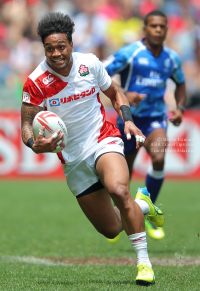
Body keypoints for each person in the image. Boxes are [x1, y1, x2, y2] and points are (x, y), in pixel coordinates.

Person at [21, 12, 164, 285]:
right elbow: (27, 123)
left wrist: (129, 121)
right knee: (111, 229)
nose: (56, 53)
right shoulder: (36, 81)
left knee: (119, 191)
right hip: (73, 160)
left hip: (102, 140)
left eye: (61, 46)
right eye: (49, 48)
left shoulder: (89, 64)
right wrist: (34, 144)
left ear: (71, 45)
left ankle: (144, 264)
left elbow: (114, 93)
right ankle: (143, 206)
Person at [105, 10, 186, 240]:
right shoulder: (130, 53)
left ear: (167, 29)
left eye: (162, 26)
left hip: (155, 120)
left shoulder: (172, 58)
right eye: (154, 26)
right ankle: (121, 215)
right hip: (129, 121)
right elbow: (100, 73)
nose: (158, 30)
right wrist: (124, 94)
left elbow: (180, 83)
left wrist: (179, 107)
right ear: (145, 29)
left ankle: (148, 211)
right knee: (122, 176)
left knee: (159, 157)